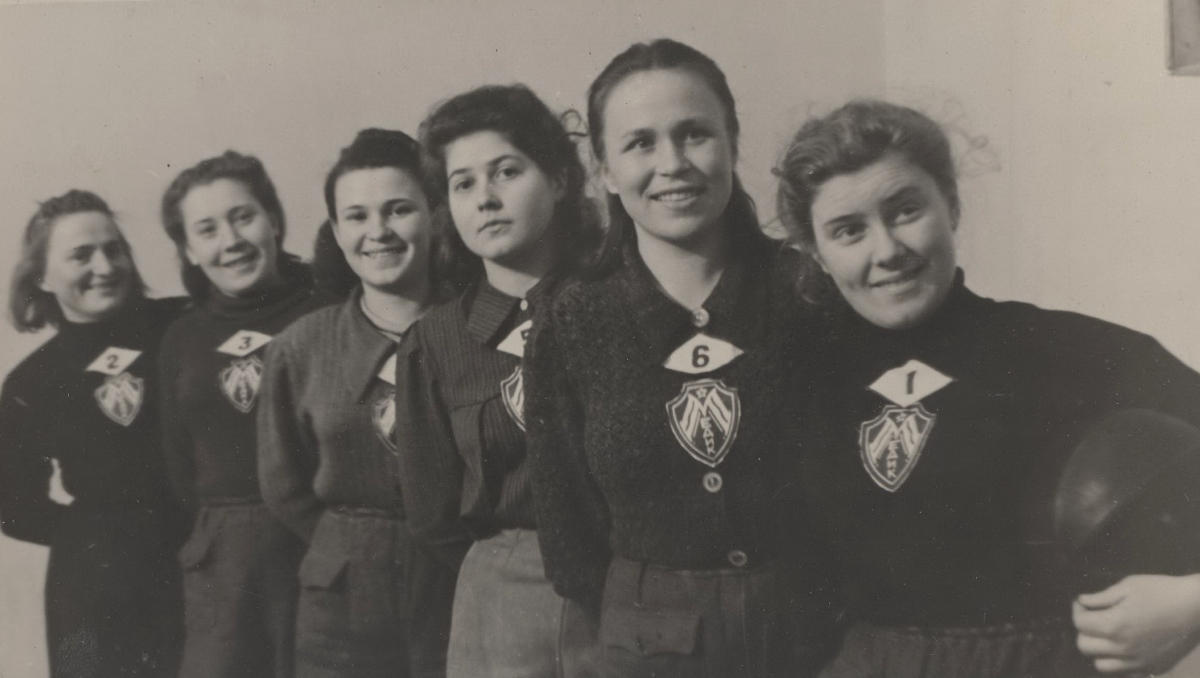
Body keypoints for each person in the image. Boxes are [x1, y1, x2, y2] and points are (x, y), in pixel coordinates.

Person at [773, 98, 1200, 677]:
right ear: (816, 254)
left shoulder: (1066, 349)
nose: (888, 250)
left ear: (950, 205)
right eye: (849, 231)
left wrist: (1191, 604)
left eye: (905, 211)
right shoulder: (803, 381)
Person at [524, 39, 835, 678]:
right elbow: (566, 523)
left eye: (695, 134)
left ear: (731, 143)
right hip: (645, 648)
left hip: (811, 640)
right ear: (605, 171)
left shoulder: (808, 291)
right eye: (640, 143)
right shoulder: (571, 317)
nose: (672, 164)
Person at [394, 83, 602, 678]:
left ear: (559, 180)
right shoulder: (434, 343)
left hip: (619, 592)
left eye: (507, 172)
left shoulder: (613, 306)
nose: (485, 199)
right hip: (500, 602)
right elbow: (432, 515)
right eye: (463, 184)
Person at [257, 128, 456, 678]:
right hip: (340, 595)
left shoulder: (477, 333)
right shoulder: (299, 346)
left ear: (435, 215)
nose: (378, 232)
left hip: (455, 580)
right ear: (337, 231)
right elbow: (283, 484)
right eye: (357, 216)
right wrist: (349, 545)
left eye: (398, 210)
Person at [158, 151, 331, 678]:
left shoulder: (326, 310)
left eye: (243, 217)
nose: (230, 241)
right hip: (222, 559)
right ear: (189, 250)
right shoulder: (181, 337)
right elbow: (178, 466)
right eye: (207, 230)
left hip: (317, 541)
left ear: (273, 220)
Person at [0, 189, 184, 677]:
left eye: (113, 249)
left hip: (197, 562)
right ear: (42, 276)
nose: (104, 267)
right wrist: (97, 537)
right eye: (81, 255)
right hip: (94, 595)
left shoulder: (182, 326)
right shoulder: (30, 382)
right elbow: (13, 506)